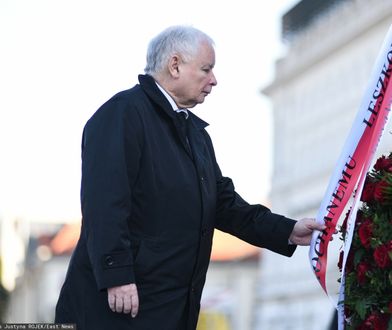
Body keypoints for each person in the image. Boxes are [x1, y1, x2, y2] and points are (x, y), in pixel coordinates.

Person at [55, 25, 324, 330]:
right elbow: (104, 204)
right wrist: (117, 276)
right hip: (119, 309)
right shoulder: (122, 114)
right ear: (175, 65)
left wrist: (287, 231)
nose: (214, 80)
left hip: (169, 310)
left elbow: (224, 206)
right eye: (206, 69)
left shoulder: (195, 134)